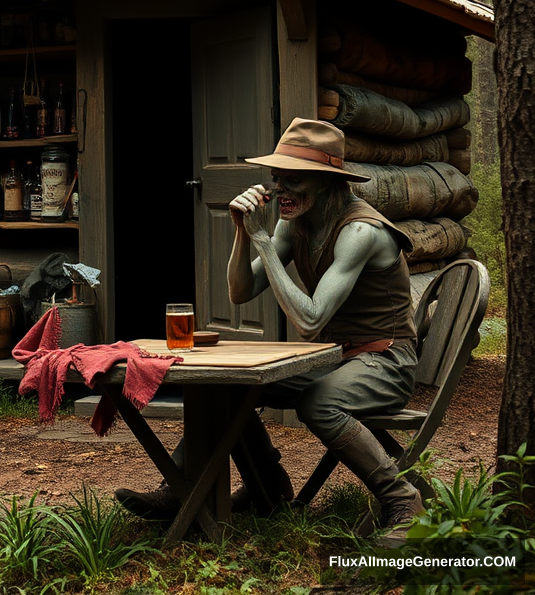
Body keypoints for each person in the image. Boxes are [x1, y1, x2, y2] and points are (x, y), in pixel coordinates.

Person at [116, 118, 422, 544]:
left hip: (385, 359)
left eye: (293, 180)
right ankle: (252, 488)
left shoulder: (360, 232)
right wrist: (244, 232)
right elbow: (240, 292)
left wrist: (262, 238)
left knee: (320, 403)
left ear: (326, 182)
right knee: (229, 385)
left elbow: (310, 319)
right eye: (277, 178)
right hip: (337, 358)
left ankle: (403, 499)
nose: (280, 189)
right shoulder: (294, 224)